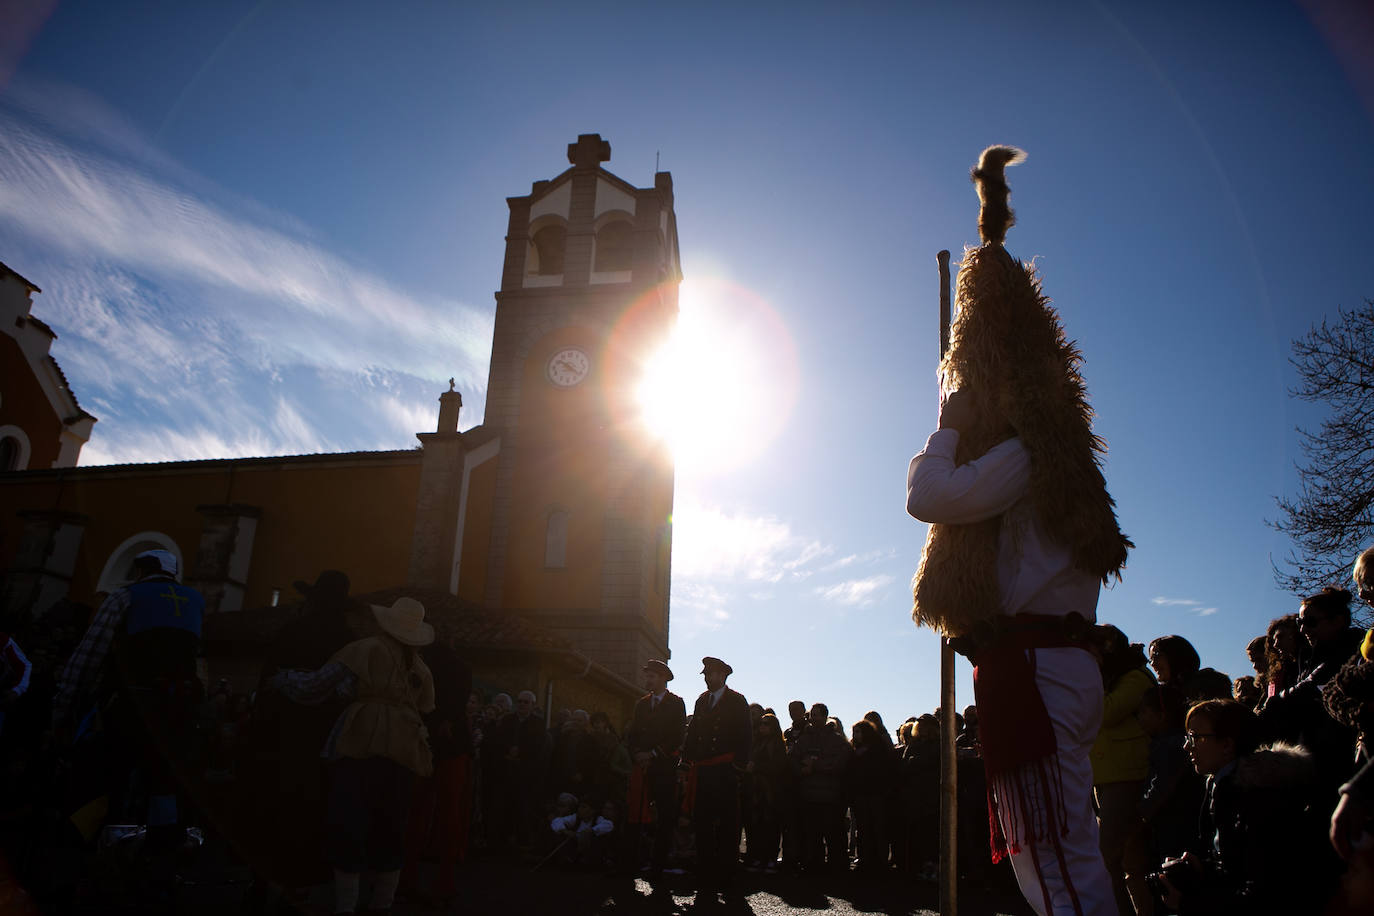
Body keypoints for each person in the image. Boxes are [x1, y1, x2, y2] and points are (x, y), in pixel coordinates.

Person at [269, 595, 436, 916]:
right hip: (405, 747)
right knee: (391, 826)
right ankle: (381, 905)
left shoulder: (366, 649)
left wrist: (282, 679)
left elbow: (317, 686)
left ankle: (345, 906)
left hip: (362, 740)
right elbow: (427, 705)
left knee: (349, 821)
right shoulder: (421, 668)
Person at [51, 549, 206, 869]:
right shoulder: (195, 601)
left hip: (130, 707)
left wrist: (63, 707)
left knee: (105, 777)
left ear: (141, 571)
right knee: (164, 782)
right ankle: (160, 859)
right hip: (178, 712)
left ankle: (86, 855)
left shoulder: (127, 596)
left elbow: (89, 654)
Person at [1155, 699, 1322, 915]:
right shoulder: (1225, 786)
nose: (1187, 745)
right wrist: (1202, 868)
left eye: (1195, 737)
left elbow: (1263, 892)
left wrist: (1188, 905)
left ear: (1227, 745)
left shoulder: (1257, 798)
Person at [1088, 625, 1155, 916]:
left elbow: (1106, 711)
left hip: (1126, 775)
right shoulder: (1111, 677)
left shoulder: (1136, 677)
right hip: (1105, 776)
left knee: (1109, 857)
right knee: (1128, 861)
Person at [681, 656, 750, 894]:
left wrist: (737, 768)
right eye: (707, 675)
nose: (709, 678)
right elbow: (693, 734)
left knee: (729, 826)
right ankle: (706, 872)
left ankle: (728, 874)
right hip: (703, 769)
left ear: (724, 676)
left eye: (714, 674)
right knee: (703, 823)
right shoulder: (701, 701)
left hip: (725, 770)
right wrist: (685, 761)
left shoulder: (737, 700)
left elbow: (745, 737)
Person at [622, 659, 685, 876]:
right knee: (635, 814)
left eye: (651, 676)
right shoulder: (641, 704)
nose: (647, 679)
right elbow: (633, 734)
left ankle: (658, 864)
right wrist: (637, 753)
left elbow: (677, 735)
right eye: (647, 675)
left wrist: (654, 753)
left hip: (663, 767)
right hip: (642, 765)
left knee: (665, 817)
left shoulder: (676, 703)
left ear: (662, 678)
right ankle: (631, 861)